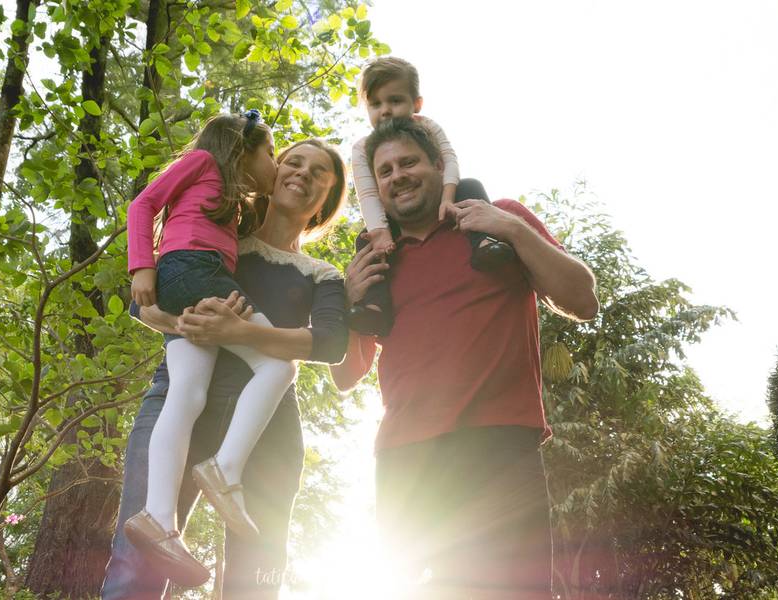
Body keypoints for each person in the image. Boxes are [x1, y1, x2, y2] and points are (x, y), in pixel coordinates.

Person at [332, 118, 599, 599]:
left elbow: (583, 300)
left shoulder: (497, 222)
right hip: (405, 459)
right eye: (385, 171)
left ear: (440, 165)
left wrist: (513, 230)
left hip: (499, 447)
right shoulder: (375, 257)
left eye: (408, 162)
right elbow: (347, 375)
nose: (398, 176)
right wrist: (348, 305)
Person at [103, 138, 348, 598]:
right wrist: (189, 323)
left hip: (267, 426)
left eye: (319, 172)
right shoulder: (218, 233)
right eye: (293, 161)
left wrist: (241, 332)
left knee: (255, 577)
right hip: (179, 400)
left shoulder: (322, 274)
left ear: (327, 201)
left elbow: (332, 344)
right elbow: (145, 303)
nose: (302, 173)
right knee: (137, 567)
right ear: (271, 172)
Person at [124, 111, 299, 584]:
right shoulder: (202, 161)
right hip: (194, 270)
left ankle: (159, 518)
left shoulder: (233, 198)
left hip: (185, 278)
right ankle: (225, 469)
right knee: (279, 367)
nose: (276, 164)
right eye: (270, 153)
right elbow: (143, 204)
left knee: (188, 394)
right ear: (242, 148)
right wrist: (141, 265)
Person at [347, 57, 515, 336]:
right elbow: (367, 193)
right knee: (365, 241)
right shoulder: (362, 148)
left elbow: (449, 162)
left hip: (443, 194)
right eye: (375, 104)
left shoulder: (428, 127)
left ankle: (484, 243)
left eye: (395, 100)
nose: (385, 110)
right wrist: (380, 232)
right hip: (393, 211)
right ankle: (375, 306)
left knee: (471, 186)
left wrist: (448, 198)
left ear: (416, 104)